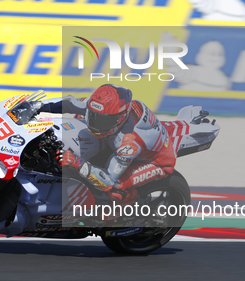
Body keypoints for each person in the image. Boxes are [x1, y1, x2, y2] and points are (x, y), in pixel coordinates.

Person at [40, 84, 176, 205]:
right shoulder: (103, 108)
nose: (95, 125)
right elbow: (68, 103)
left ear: (121, 118)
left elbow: (108, 181)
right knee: (78, 119)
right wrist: (35, 106)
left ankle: (130, 208)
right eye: (93, 116)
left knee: (116, 188)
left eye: (102, 121)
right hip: (113, 140)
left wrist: (77, 162)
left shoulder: (128, 144)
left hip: (156, 162)